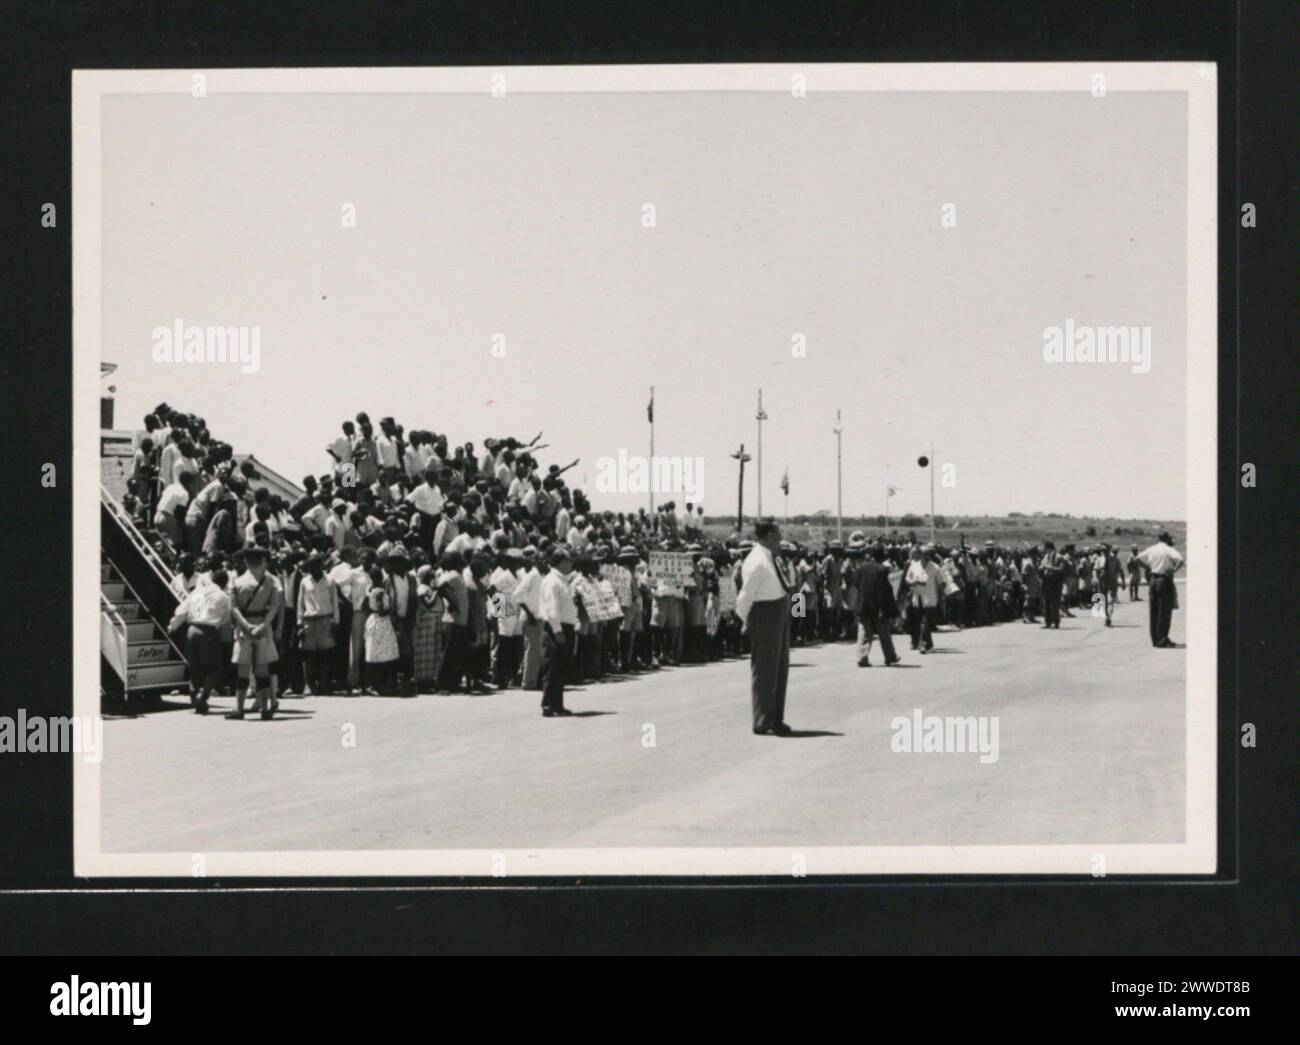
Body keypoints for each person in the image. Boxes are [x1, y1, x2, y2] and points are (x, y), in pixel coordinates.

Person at [735, 519, 793, 736]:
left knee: (779, 669)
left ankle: (775, 719)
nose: (780, 538)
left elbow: (792, 588)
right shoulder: (757, 560)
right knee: (764, 670)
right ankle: (761, 720)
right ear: (768, 535)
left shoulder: (775, 558)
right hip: (764, 615)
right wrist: (743, 621)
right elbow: (746, 594)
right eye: (777, 533)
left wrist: (796, 615)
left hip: (779, 612)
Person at [168, 568, 231, 714]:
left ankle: (193, 693)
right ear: (225, 583)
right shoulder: (223, 596)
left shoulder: (197, 592)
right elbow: (225, 619)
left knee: (194, 667)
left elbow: (181, 611)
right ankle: (203, 695)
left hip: (192, 630)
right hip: (209, 632)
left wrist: (172, 626)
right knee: (215, 669)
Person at [229, 547, 283, 719]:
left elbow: (234, 608)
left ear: (245, 562)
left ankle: (239, 709)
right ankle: (265, 708)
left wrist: (245, 625)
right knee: (262, 671)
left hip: (244, 630)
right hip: (262, 628)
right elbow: (274, 606)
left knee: (242, 672)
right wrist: (263, 625)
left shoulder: (236, 582)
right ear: (263, 561)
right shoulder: (270, 582)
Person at [538, 546, 578, 716]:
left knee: (560, 667)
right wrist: (557, 630)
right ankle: (547, 704)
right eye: (569, 560)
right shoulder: (551, 580)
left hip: (564, 625)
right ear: (561, 562)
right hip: (554, 626)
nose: (571, 564)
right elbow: (551, 607)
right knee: (551, 666)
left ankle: (557, 704)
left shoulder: (562, 579)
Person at [296, 554, 339, 695]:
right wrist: (300, 622)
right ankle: (308, 685)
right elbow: (300, 602)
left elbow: (334, 601)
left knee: (325, 654)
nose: (314, 568)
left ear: (322, 565)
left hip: (325, 619)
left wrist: (335, 620)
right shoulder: (304, 582)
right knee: (308, 655)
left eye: (317, 565)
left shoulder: (330, 580)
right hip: (310, 620)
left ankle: (324, 684)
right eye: (311, 566)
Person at [853, 544, 901, 667]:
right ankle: (890, 656)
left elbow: (856, 584)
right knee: (884, 634)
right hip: (877, 606)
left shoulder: (861, 567)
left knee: (864, 633)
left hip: (863, 604)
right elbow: (884, 591)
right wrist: (884, 608)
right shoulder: (882, 570)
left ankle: (863, 657)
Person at [1137, 532, 1184, 647]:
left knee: (1154, 610)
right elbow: (1181, 560)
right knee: (1164, 610)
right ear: (1167, 538)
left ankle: (1155, 639)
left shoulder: (1152, 549)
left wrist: (1148, 567)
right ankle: (1162, 639)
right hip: (1164, 580)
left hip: (1153, 579)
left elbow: (1137, 559)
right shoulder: (1168, 549)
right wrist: (1173, 570)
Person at [1039, 540, 1064, 629]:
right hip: (1046, 582)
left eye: (1045, 548)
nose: (1044, 550)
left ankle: (1055, 622)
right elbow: (1042, 566)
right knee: (1046, 603)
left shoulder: (1058, 557)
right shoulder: (1045, 557)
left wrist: (1050, 568)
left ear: (1049, 547)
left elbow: (1061, 569)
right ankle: (1048, 622)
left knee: (1054, 603)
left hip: (1055, 583)